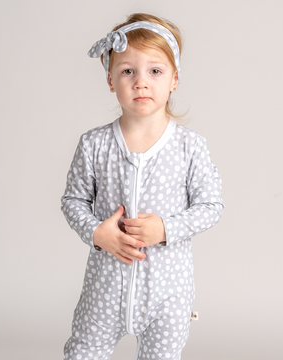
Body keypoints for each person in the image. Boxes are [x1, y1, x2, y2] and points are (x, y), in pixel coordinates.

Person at [60, 12, 224, 360]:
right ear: (110, 80)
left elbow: (211, 205)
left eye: (155, 71)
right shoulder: (94, 144)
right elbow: (73, 200)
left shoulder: (189, 147)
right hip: (105, 288)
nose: (140, 82)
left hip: (168, 292)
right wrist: (95, 233)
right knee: (83, 353)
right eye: (127, 71)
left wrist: (166, 227)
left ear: (174, 79)